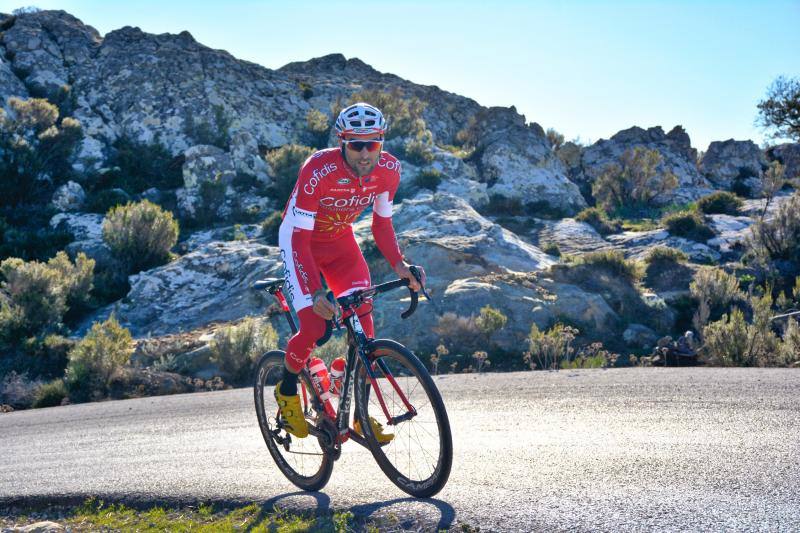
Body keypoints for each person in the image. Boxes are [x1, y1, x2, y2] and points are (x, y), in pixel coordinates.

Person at [273, 102, 425, 440]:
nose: (365, 153)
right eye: (356, 145)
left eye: (372, 144)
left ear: (381, 143)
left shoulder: (389, 170)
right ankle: (285, 390)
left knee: (364, 321)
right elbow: (299, 238)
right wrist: (315, 292)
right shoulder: (318, 169)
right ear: (342, 141)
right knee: (315, 325)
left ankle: (355, 407)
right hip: (302, 243)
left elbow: (382, 224)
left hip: (340, 240)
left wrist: (400, 265)